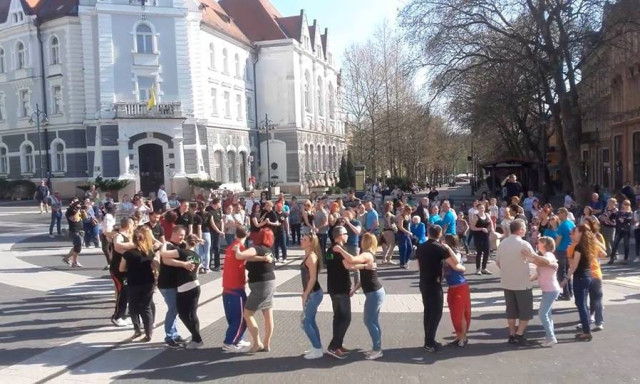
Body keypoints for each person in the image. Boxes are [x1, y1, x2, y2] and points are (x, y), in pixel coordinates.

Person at [335, 233, 385, 360]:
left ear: (366, 242)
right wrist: (354, 289)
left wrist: (340, 249)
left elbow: (351, 260)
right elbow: (362, 275)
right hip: (374, 292)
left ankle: (377, 349)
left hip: (374, 293)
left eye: (363, 239)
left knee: (369, 320)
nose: (361, 241)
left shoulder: (367, 254)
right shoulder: (367, 255)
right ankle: (377, 347)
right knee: (373, 320)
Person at [416, 225, 466, 352]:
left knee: (428, 311)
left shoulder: (421, 247)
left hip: (423, 281)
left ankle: (429, 340)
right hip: (434, 283)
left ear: (428, 233)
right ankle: (429, 343)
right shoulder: (440, 248)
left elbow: (418, 266)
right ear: (440, 234)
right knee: (436, 313)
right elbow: (455, 262)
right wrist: (448, 248)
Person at [234, 228, 276, 352]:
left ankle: (257, 343)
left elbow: (240, 256)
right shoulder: (269, 251)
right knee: (268, 314)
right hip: (270, 282)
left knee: (248, 313)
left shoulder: (256, 248)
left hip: (260, 285)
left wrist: (237, 247)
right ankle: (267, 343)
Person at [496, 219, 535, 345]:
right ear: (520, 230)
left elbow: (498, 262)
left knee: (511, 310)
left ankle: (512, 334)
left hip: (507, 282)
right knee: (525, 311)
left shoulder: (502, 243)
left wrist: (507, 270)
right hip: (522, 282)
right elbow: (534, 259)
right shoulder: (524, 244)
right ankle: (520, 334)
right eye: (524, 227)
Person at [161, 234, 203, 349]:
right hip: (195, 285)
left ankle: (197, 338)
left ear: (186, 242)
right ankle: (196, 339)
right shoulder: (197, 256)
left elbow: (164, 254)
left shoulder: (182, 252)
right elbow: (197, 272)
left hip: (184, 288)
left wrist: (164, 243)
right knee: (192, 313)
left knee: (183, 314)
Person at [120, 226, 158, 342]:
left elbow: (121, 268)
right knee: (146, 307)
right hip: (148, 282)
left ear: (133, 240)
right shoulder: (149, 252)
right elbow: (155, 265)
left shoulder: (128, 254)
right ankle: (148, 333)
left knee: (133, 306)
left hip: (133, 282)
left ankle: (137, 329)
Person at [521, 236, 560, 347]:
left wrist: (531, 255)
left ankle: (551, 337)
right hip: (548, 289)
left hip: (551, 289)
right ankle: (550, 336)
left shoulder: (549, 255)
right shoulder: (543, 258)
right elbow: (538, 274)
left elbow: (546, 261)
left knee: (542, 314)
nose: (538, 243)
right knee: (547, 314)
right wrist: (527, 281)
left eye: (540, 242)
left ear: (546, 245)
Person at [220, 227, 251, 352]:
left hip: (228, 287)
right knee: (241, 318)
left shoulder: (231, 246)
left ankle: (237, 339)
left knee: (233, 317)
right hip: (236, 287)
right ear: (247, 234)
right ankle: (229, 342)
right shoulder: (240, 248)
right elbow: (248, 258)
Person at [563, 225, 597, 341]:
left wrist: (566, 278)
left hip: (581, 277)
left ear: (581, 233)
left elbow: (574, 265)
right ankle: (586, 329)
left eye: (576, 231)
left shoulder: (579, 247)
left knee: (581, 304)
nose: (574, 233)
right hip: (588, 276)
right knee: (582, 304)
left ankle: (587, 331)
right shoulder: (589, 245)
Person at [325, 226, 353, 359]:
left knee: (338, 317)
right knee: (346, 318)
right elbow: (349, 265)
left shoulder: (330, 250)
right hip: (341, 288)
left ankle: (338, 344)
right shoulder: (340, 250)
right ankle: (334, 346)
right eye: (346, 233)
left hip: (333, 287)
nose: (348, 235)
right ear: (340, 235)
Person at [157, 226, 188, 348]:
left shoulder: (180, 246)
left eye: (183, 235)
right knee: (173, 309)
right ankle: (169, 336)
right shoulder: (168, 246)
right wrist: (183, 264)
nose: (182, 237)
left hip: (175, 283)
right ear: (173, 233)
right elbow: (165, 259)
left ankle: (174, 334)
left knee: (175, 309)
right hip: (167, 284)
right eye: (180, 235)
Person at [443, 235, 471, 347]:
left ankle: (463, 337)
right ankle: (458, 336)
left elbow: (457, 263)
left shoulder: (457, 253)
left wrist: (448, 249)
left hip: (460, 286)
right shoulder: (445, 256)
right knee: (455, 314)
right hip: (452, 287)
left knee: (461, 314)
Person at [300, 232, 324, 359]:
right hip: (312, 292)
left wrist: (305, 294)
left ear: (310, 242)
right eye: (302, 239)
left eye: (304, 239)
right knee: (310, 321)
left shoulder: (311, 257)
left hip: (314, 293)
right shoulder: (307, 255)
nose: (301, 241)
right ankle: (317, 347)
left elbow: (313, 278)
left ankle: (317, 349)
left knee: (305, 321)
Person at [109, 218, 135, 327]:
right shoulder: (118, 236)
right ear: (129, 225)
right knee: (122, 292)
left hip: (125, 269)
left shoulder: (129, 237)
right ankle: (117, 316)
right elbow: (117, 246)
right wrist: (134, 245)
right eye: (133, 224)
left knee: (127, 292)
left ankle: (123, 315)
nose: (134, 226)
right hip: (117, 270)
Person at [555, 208, 575, 301]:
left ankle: (566, 293)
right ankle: (570, 292)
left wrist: (554, 249)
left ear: (563, 214)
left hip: (561, 250)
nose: (558, 215)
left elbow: (559, 239)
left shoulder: (562, 225)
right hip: (570, 250)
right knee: (568, 272)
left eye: (559, 213)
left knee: (561, 273)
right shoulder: (571, 223)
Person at [470, 202, 494, 275]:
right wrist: (481, 229)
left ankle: (484, 268)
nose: (481, 209)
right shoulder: (475, 216)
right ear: (477, 209)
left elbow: (491, 222)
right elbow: (472, 227)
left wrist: (492, 229)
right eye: (480, 208)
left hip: (486, 235)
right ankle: (478, 269)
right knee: (479, 252)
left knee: (487, 251)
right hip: (478, 235)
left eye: (482, 208)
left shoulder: (487, 215)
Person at [609, 199, 633, 265]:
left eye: (627, 204)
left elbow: (629, 219)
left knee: (626, 245)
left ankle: (625, 259)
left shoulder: (630, 212)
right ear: (622, 204)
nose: (626, 205)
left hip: (626, 231)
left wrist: (622, 219)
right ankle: (611, 258)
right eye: (625, 204)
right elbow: (615, 218)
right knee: (615, 244)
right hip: (619, 230)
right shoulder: (619, 212)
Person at [206, 198, 225, 272]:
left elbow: (221, 221)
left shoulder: (219, 210)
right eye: (220, 203)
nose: (221, 205)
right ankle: (209, 265)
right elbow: (212, 223)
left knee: (217, 248)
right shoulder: (209, 210)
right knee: (210, 248)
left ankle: (217, 265)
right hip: (211, 231)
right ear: (217, 203)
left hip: (218, 232)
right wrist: (219, 231)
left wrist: (222, 231)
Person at [63, 200, 84, 268]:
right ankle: (75, 262)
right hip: (74, 231)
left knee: (77, 246)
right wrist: (77, 211)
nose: (78, 205)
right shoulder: (69, 211)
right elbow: (74, 219)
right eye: (75, 203)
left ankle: (66, 258)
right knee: (78, 247)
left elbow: (84, 217)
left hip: (80, 230)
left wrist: (83, 211)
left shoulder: (79, 210)